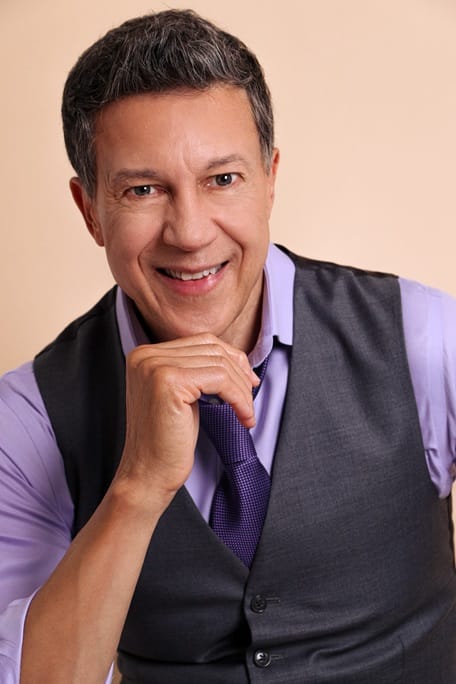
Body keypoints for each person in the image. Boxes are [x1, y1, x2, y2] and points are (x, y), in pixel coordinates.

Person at [0, 8, 455, 683]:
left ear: (270, 178)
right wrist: (137, 489)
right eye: (143, 189)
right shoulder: (29, 417)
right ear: (90, 209)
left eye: (222, 180)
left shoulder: (421, 339)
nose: (189, 233)